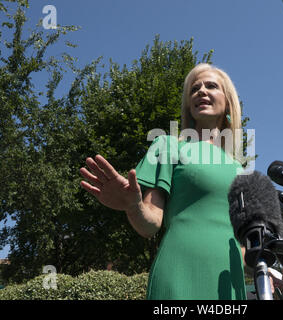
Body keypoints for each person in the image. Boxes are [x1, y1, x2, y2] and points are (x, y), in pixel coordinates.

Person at [79, 63, 247, 300]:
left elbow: (244, 248)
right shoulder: (169, 146)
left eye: (211, 86)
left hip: (230, 283)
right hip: (179, 273)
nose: (201, 91)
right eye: (194, 89)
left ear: (228, 102)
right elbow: (150, 224)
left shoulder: (241, 169)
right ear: (189, 105)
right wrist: (133, 205)